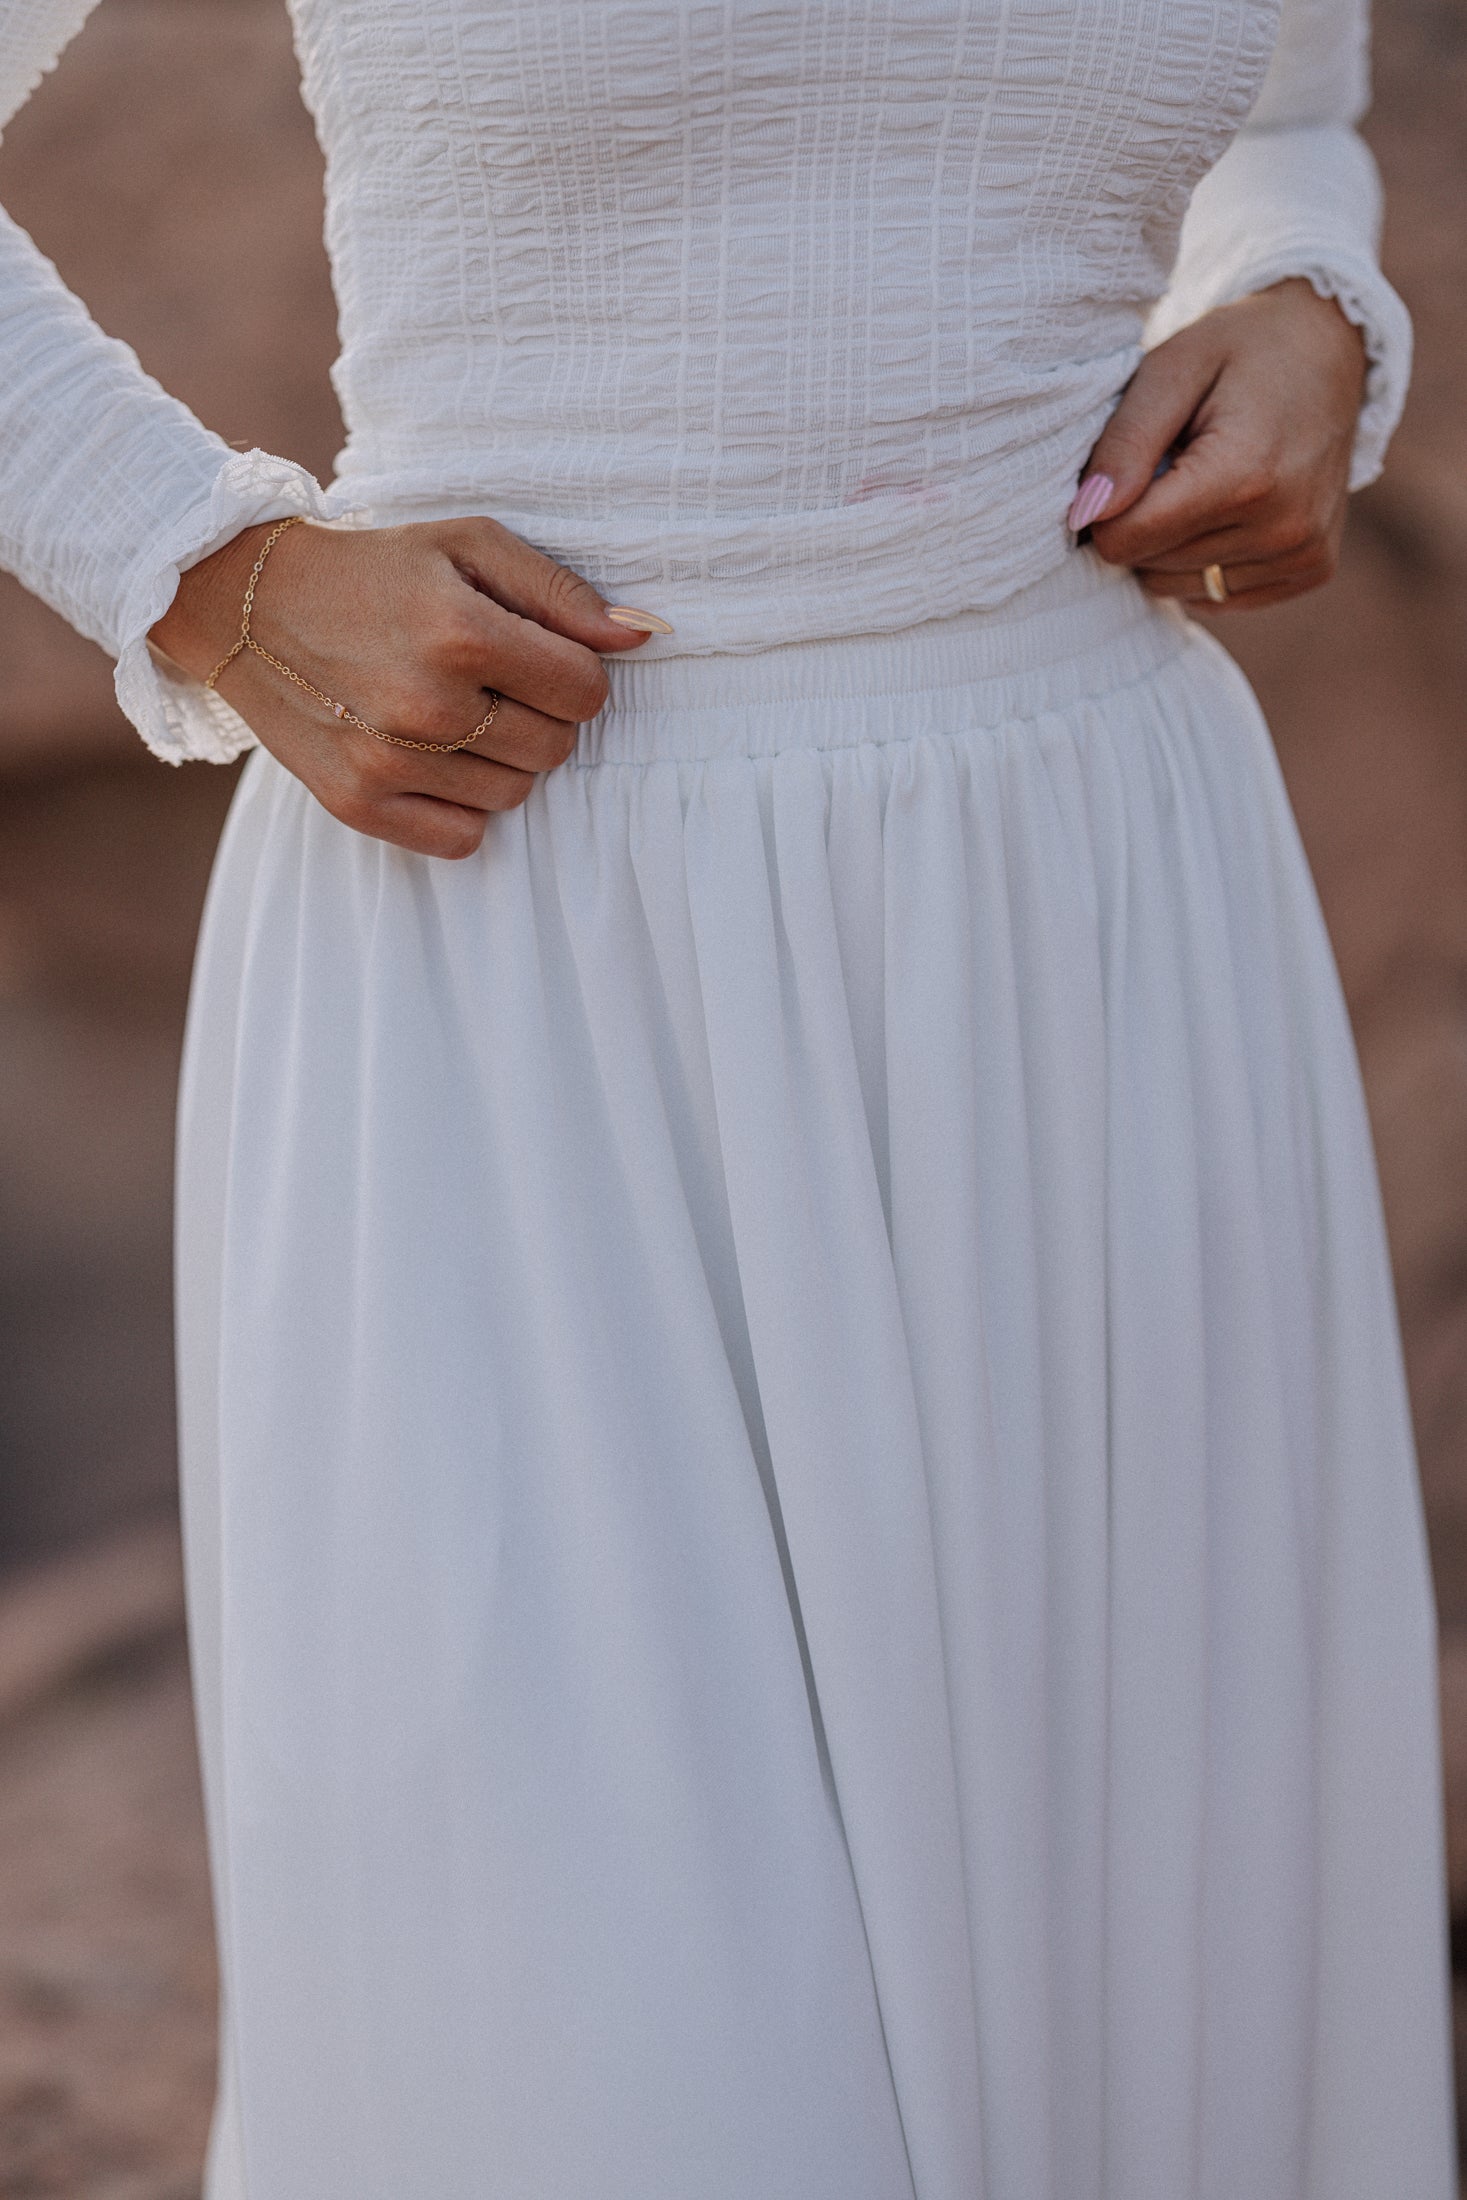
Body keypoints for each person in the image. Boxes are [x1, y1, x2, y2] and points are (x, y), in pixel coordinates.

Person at [0, 0, 1454, 2194]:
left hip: (1090, 945)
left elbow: (1289, 94)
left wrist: (1296, 287)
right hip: (524, 932)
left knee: (1125, 2042)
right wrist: (199, 567)